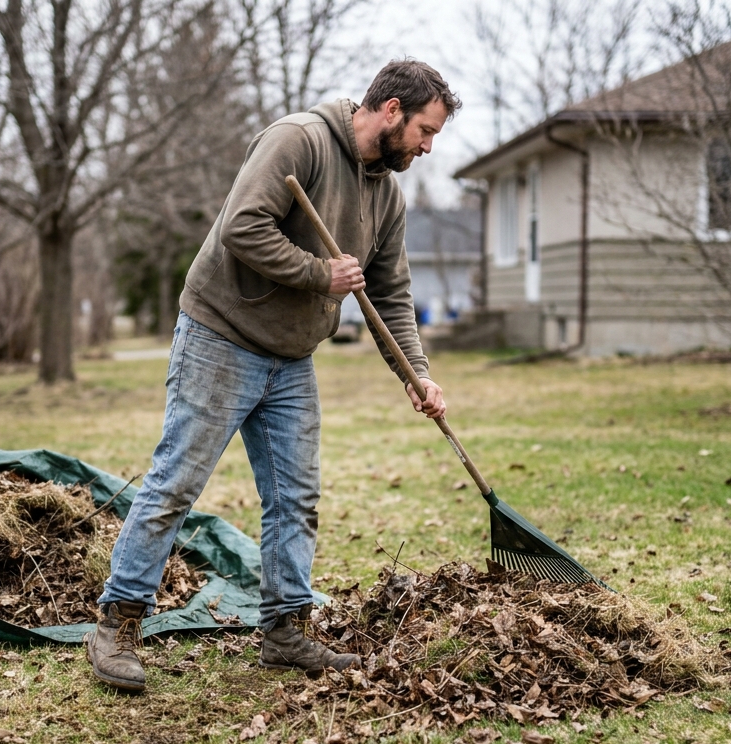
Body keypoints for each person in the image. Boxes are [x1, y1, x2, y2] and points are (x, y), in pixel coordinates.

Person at [87, 59, 460, 693]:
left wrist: (414, 374)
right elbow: (241, 227)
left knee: (295, 497)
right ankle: (117, 622)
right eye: (426, 131)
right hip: (221, 337)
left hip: (290, 357)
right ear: (392, 110)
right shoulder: (300, 140)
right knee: (176, 483)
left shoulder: (385, 194)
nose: (428, 148)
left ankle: (285, 631)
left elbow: (391, 293)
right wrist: (321, 275)